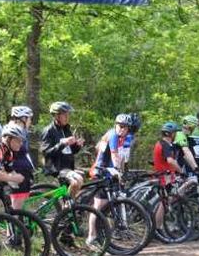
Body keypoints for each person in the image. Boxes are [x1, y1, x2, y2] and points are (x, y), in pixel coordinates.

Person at [87, 114, 132, 245]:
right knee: (98, 207)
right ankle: (91, 237)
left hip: (110, 173)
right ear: (115, 125)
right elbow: (114, 155)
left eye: (126, 128)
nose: (123, 129)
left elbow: (121, 157)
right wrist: (119, 171)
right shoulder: (112, 135)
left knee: (109, 204)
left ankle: (104, 234)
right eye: (121, 126)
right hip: (101, 172)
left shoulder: (121, 138)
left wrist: (121, 171)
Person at [40, 101, 85, 198]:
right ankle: (67, 206)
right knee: (78, 180)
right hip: (57, 168)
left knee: (86, 176)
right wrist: (62, 143)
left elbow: (70, 151)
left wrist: (77, 146)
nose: (67, 117)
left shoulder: (66, 129)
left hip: (68, 167)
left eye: (68, 114)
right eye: (65, 115)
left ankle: (66, 202)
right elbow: (46, 152)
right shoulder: (48, 131)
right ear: (56, 116)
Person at [152, 122, 183, 227]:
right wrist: (180, 170)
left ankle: (158, 228)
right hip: (164, 177)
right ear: (171, 134)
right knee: (163, 204)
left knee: (165, 203)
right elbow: (170, 160)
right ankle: (157, 228)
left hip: (165, 176)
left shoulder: (162, 143)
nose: (176, 135)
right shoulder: (165, 145)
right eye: (175, 133)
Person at [5, 105, 35, 208]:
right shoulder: (11, 131)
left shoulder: (23, 131)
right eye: (29, 118)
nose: (30, 121)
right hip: (16, 173)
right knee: (17, 210)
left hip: (24, 172)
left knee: (22, 209)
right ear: (23, 118)